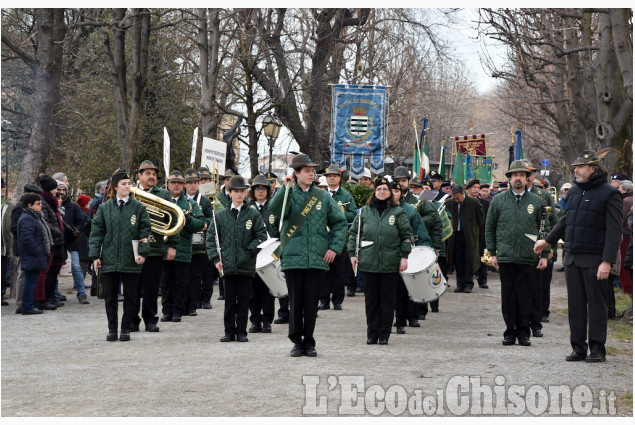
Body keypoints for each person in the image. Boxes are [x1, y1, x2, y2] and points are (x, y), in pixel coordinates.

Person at [535, 150, 622, 362]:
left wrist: (607, 261)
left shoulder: (609, 194)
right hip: (572, 258)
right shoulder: (573, 192)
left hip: (595, 260)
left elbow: (614, 231)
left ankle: (597, 349)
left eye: (580, 167)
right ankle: (578, 347)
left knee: (597, 306)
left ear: (593, 169)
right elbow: (565, 221)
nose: (576, 170)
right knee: (575, 306)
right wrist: (547, 241)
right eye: (575, 167)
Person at [268, 153, 347, 357]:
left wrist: (334, 248)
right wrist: (283, 189)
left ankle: (309, 342)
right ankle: (296, 341)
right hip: (294, 258)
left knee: (311, 304)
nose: (311, 174)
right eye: (307, 171)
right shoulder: (288, 193)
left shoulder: (323, 197)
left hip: (317, 259)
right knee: (295, 303)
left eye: (312, 171)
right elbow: (275, 211)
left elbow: (339, 223)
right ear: (296, 174)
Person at [487, 160, 549, 347]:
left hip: (527, 256)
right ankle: (509, 332)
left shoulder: (537, 202)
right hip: (505, 256)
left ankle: (524, 332)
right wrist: (493, 253)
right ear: (509, 179)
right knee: (508, 295)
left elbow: (544, 230)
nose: (518, 179)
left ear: (528, 178)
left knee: (525, 295)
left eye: (522, 175)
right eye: (515, 175)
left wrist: (544, 255)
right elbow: (489, 228)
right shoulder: (498, 200)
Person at [347, 177, 413, 345]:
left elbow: (406, 236)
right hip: (368, 263)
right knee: (371, 300)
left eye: (385, 189)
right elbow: (354, 234)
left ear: (390, 192)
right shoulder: (364, 212)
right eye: (379, 189)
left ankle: (384, 334)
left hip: (390, 263)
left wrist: (404, 257)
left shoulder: (398, 212)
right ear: (374, 192)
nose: (382, 192)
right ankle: (372, 333)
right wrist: (352, 254)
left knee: (388, 300)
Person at [89, 169, 152, 341]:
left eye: (129, 184)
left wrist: (143, 253)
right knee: (110, 297)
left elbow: (145, 231)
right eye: (123, 184)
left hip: (131, 258)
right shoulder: (104, 208)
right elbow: (96, 233)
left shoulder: (138, 207)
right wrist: (96, 256)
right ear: (115, 186)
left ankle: (126, 328)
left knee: (131, 296)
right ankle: (112, 329)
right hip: (110, 258)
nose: (127, 186)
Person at [208, 175, 267, 342]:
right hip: (227, 265)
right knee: (229, 301)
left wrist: (249, 251)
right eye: (236, 191)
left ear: (246, 193)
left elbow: (261, 236)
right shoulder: (219, 216)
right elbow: (211, 238)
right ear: (230, 192)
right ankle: (229, 331)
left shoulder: (253, 215)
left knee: (243, 300)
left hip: (245, 265)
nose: (239, 194)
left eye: (242, 191)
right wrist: (215, 258)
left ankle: (242, 331)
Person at [133, 160, 179, 333]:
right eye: (147, 173)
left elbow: (174, 220)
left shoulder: (164, 194)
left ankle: (150, 320)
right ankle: (132, 319)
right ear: (139, 175)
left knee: (152, 288)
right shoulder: (133, 194)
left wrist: (172, 245)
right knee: (133, 288)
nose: (152, 176)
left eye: (153, 174)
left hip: (156, 247)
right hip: (135, 247)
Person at [160, 170, 205, 323]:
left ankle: (178, 311)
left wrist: (188, 220)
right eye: (173, 183)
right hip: (165, 248)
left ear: (183, 185)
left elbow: (201, 223)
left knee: (181, 282)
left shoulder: (191, 204)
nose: (176, 185)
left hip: (183, 248)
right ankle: (166, 310)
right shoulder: (162, 201)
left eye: (179, 183)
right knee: (166, 283)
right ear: (168, 185)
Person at [391, 180, 431, 333]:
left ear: (401, 194)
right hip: (391, 255)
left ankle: (413, 317)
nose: (394, 194)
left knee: (412, 287)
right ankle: (399, 320)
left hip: (409, 253)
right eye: (391, 191)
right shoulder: (384, 209)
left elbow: (420, 232)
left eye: (397, 191)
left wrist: (425, 250)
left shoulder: (410, 210)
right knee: (397, 290)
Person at [525, 162, 558, 338]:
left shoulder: (543, 195)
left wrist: (549, 245)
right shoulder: (511, 196)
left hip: (540, 246)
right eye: (523, 174)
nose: (527, 177)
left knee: (539, 286)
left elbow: (552, 222)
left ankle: (537, 320)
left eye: (529, 174)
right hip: (521, 248)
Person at [319, 165, 357, 310]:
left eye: (334, 176)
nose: (332, 178)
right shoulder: (321, 194)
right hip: (322, 238)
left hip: (339, 238)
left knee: (338, 271)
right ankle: (323, 300)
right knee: (323, 270)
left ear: (340, 178)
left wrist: (338, 214)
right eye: (329, 176)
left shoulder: (346, 196)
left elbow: (353, 213)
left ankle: (337, 300)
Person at [248, 174, 279, 333]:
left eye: (263, 188)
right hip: (252, 253)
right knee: (252, 290)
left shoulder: (274, 207)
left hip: (270, 254)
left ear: (268, 190)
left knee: (268, 289)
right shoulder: (248, 207)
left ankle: (267, 321)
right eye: (257, 188)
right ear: (252, 191)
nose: (260, 191)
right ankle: (255, 320)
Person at [183, 168, 216, 311]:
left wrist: (205, 224)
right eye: (189, 183)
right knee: (189, 275)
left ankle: (206, 299)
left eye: (195, 182)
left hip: (202, 243)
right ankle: (193, 300)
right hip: (186, 242)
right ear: (185, 184)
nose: (192, 185)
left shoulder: (204, 200)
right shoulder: (182, 200)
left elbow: (211, 218)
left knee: (205, 273)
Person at [17, 193, 52, 315]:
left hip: (34, 256)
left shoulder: (34, 217)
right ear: (29, 205)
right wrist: (39, 251)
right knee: (30, 281)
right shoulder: (28, 218)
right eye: (38, 204)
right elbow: (27, 239)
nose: (40, 206)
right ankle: (27, 306)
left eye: (41, 203)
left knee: (31, 281)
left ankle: (28, 305)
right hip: (32, 256)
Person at [10, 184, 43, 313]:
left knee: (26, 277)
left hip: (26, 248)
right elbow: (15, 228)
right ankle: (22, 304)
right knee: (23, 276)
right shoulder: (20, 209)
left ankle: (26, 303)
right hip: (23, 249)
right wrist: (35, 247)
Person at [445, 184, 484, 293]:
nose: (456, 200)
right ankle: (459, 284)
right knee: (458, 261)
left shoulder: (474, 203)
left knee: (469, 260)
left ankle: (468, 283)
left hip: (469, 237)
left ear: (463, 194)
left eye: (458, 198)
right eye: (454, 198)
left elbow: (480, 218)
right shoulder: (449, 203)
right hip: (455, 237)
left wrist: (471, 228)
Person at [37, 174, 66, 311]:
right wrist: (58, 231)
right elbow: (46, 222)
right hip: (52, 241)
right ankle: (47, 298)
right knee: (49, 272)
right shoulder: (44, 201)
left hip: (57, 241)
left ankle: (51, 296)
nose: (58, 192)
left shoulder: (51, 201)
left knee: (54, 272)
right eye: (55, 189)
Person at [59, 182, 90, 304]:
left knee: (76, 267)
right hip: (59, 242)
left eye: (63, 190)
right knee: (55, 269)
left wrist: (77, 230)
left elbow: (81, 221)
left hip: (72, 240)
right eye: (59, 190)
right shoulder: (53, 205)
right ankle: (55, 293)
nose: (61, 192)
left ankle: (81, 293)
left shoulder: (73, 206)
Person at [466, 179, 490, 289]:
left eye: (477, 187)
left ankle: (482, 280)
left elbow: (488, 219)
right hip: (468, 233)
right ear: (468, 189)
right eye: (474, 187)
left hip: (481, 233)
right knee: (469, 257)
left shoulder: (484, 202)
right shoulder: (464, 201)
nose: (476, 189)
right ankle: (468, 281)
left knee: (482, 257)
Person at [618, 180, 633, 295]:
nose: (618, 190)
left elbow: (620, 218)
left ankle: (627, 288)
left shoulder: (626, 201)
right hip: (629, 234)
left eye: (620, 188)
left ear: (625, 190)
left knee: (624, 263)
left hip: (625, 234)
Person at [2, 178, 14, 305]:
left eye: (4, 186)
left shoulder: (9, 205)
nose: (2, 189)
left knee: (3, 269)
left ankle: (1, 293)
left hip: (4, 243)